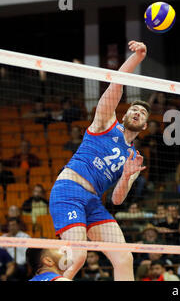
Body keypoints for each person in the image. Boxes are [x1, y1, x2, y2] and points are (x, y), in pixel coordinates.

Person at [48, 40, 149, 281]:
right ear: (125, 114)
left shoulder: (134, 158)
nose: (137, 112)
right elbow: (116, 85)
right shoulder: (105, 123)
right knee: (78, 256)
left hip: (93, 202)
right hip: (69, 191)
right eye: (134, 109)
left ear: (144, 126)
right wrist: (137, 58)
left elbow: (117, 199)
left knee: (124, 257)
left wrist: (125, 177)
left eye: (143, 113)